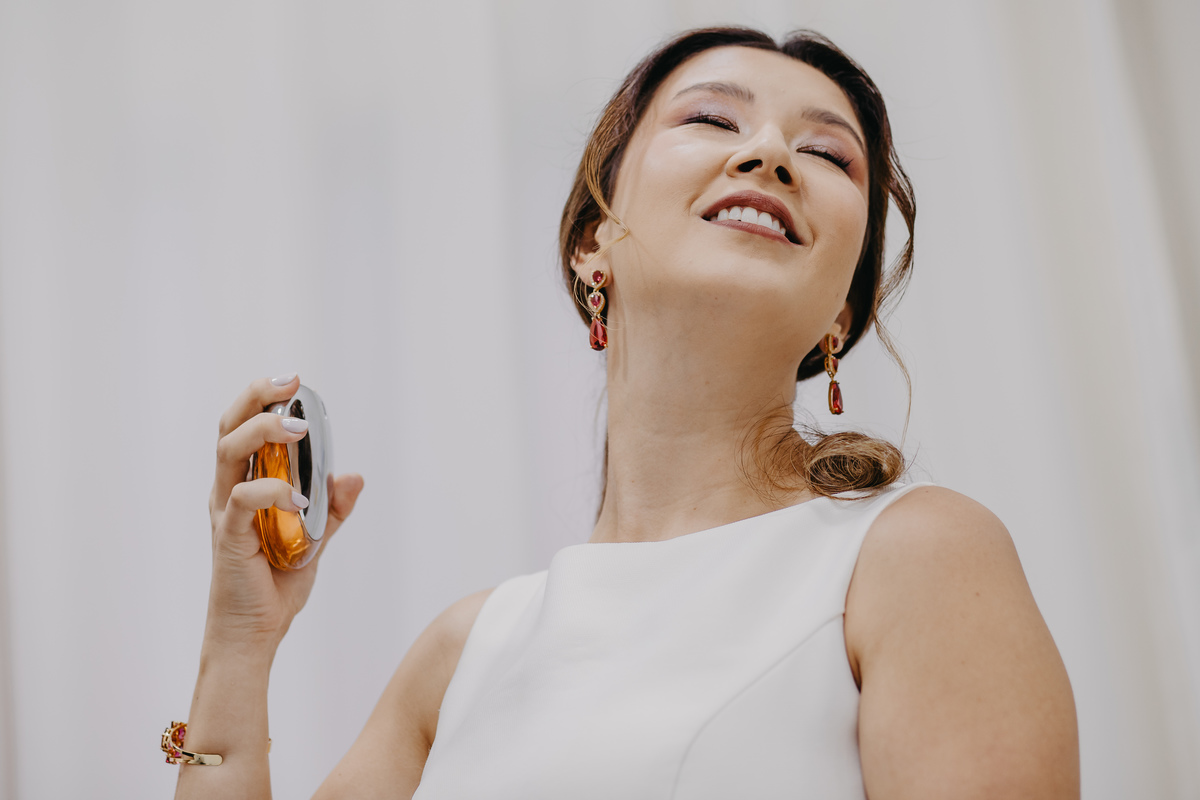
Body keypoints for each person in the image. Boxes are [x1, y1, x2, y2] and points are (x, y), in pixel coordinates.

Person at [173, 27, 1080, 799]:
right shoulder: (464, 652)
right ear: (592, 245)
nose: (769, 154)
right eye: (712, 119)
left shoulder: (918, 557)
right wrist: (237, 647)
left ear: (841, 313)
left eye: (828, 155)